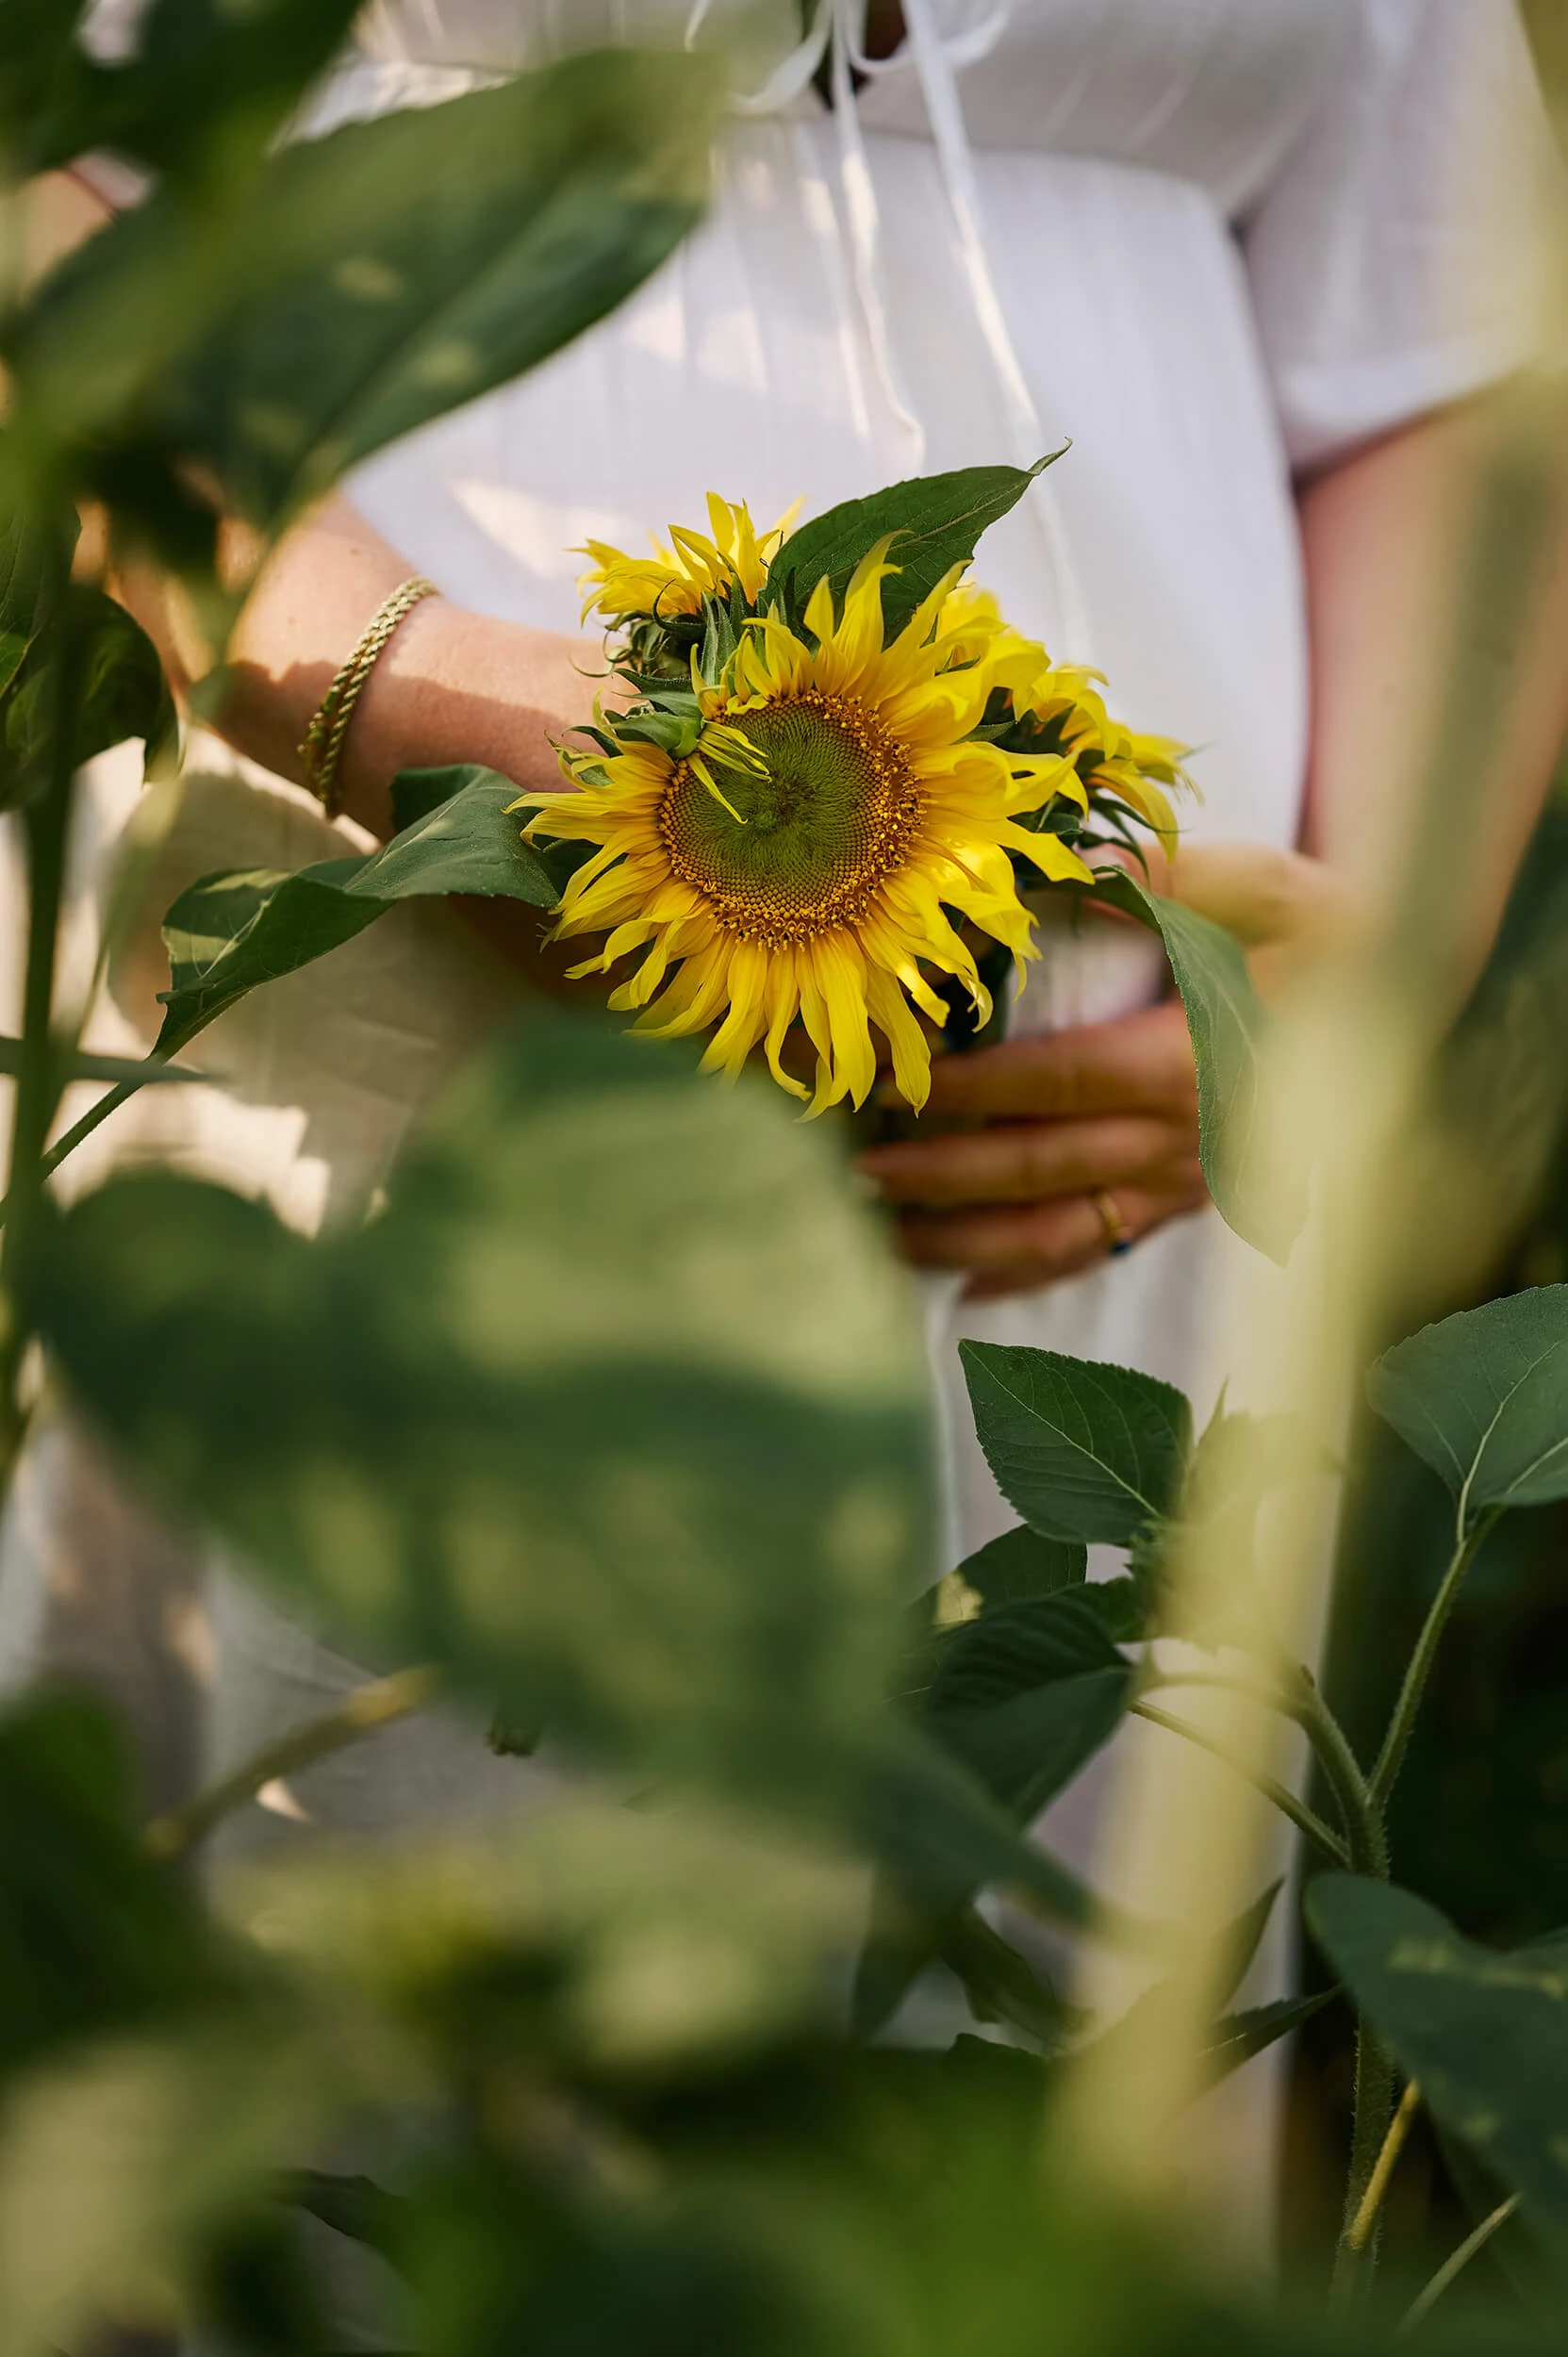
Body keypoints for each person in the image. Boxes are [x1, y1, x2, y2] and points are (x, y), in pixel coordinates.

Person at [4, 0, 1567, 1986]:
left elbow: (1436, 324)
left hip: (1149, 1167)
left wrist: (1371, 963)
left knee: (1042, 2022)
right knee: (400, 1993)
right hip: (358, 937)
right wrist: (382, 686)